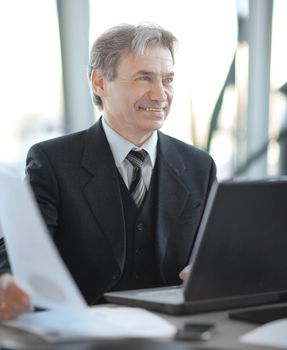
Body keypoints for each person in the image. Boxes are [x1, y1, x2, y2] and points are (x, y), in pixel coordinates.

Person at [0, 23, 216, 321]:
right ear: (99, 82)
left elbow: (215, 251)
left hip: (175, 331)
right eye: (144, 78)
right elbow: (21, 249)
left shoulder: (199, 166)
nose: (160, 94)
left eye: (168, 79)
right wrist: (6, 281)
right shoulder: (51, 161)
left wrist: (209, 269)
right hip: (81, 329)